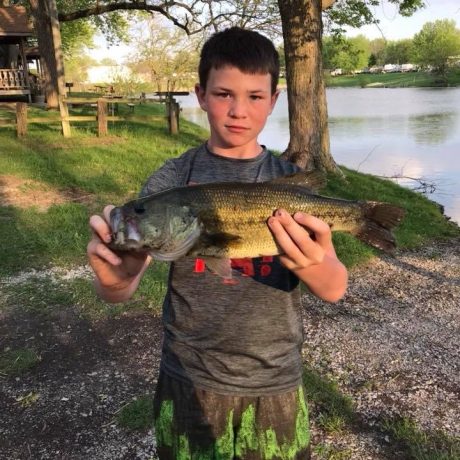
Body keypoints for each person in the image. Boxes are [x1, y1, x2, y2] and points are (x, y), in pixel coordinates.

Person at [87, 27, 348, 460]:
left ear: (274, 99)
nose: (238, 111)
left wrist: (310, 263)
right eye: (224, 94)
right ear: (200, 95)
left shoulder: (287, 182)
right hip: (188, 376)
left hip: (275, 379)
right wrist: (117, 279)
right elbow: (117, 291)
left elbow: (334, 287)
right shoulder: (172, 181)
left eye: (254, 97)